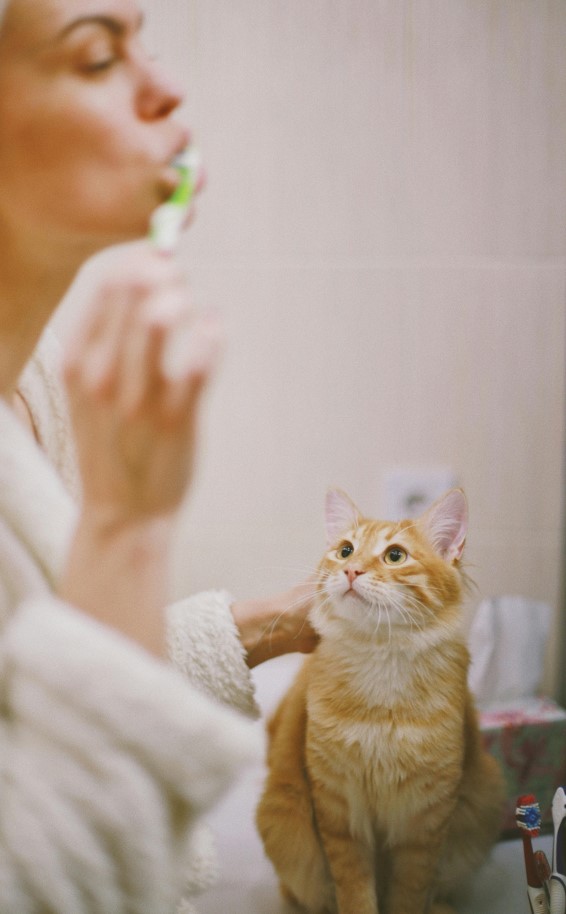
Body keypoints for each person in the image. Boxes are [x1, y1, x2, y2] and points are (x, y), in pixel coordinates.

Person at [0, 0, 318, 911]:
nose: (167, 85)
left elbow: (60, 676)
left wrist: (283, 621)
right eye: (100, 58)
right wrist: (127, 521)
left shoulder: (44, 378)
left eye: (147, 41)